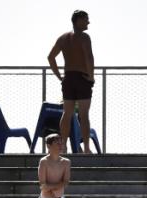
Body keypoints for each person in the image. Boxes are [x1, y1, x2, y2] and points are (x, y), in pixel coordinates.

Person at [47, 9, 95, 153]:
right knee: (84, 114)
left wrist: (60, 76)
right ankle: (86, 148)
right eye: (86, 19)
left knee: (67, 113)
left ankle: (63, 147)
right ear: (78, 20)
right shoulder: (84, 37)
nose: (88, 22)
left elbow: (50, 57)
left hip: (68, 78)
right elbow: (89, 57)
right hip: (82, 78)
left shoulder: (63, 38)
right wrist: (91, 76)